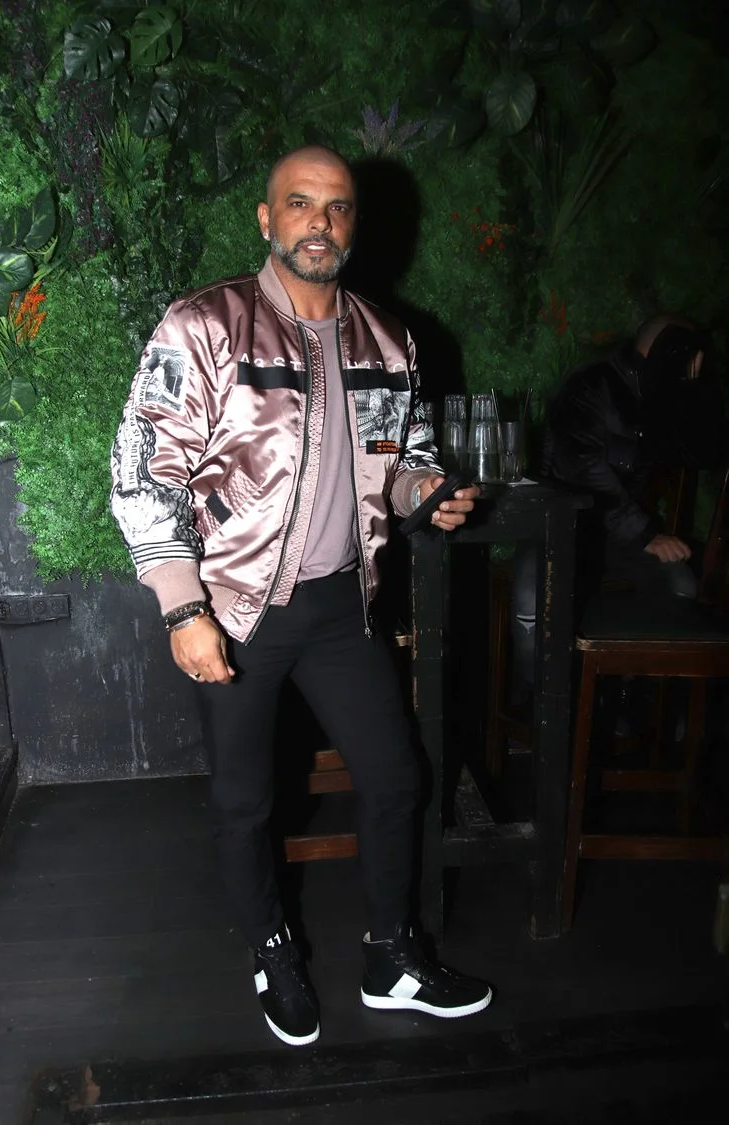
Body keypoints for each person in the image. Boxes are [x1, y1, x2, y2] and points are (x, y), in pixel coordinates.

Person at [111, 145, 492, 1047]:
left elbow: (401, 458)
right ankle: (270, 948)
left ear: (353, 225)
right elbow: (142, 470)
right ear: (267, 217)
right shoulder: (205, 325)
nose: (319, 221)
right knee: (245, 799)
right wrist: (183, 605)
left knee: (396, 777)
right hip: (234, 608)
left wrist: (427, 492)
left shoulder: (388, 340)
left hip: (339, 607)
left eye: (338, 207)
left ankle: (391, 956)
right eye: (300, 203)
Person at [511, 315, 728, 694]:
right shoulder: (590, 386)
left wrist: (695, 388)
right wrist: (645, 533)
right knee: (533, 592)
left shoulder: (661, 392)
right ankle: (539, 703)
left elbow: (702, 452)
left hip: (618, 535)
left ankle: (625, 700)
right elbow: (580, 469)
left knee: (680, 584)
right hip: (561, 526)